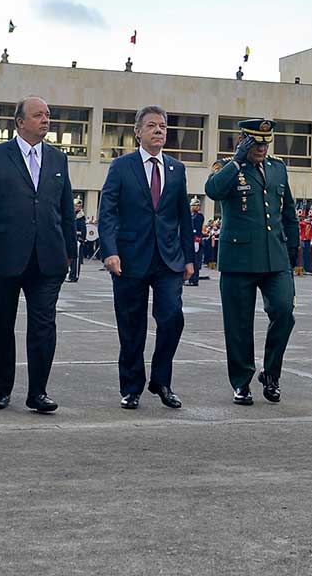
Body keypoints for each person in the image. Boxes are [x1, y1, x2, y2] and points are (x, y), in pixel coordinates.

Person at [0, 96, 75, 414]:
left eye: (48, 115)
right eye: (38, 115)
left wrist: (70, 250)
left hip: (47, 258)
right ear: (20, 122)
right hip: (0, 257)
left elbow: (65, 207)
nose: (46, 120)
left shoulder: (58, 158)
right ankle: (1, 389)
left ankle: (38, 392)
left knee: (44, 325)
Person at [98, 105, 195, 410]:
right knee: (131, 325)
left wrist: (189, 258)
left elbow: (182, 215)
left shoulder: (176, 169)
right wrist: (110, 251)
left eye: (163, 126)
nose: (158, 130)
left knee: (172, 318)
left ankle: (161, 381)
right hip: (129, 258)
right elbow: (107, 211)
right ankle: (131, 387)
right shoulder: (121, 167)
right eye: (152, 125)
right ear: (138, 132)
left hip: (168, 259)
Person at [204, 118, 299, 405]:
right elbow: (213, 191)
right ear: (242, 141)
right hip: (239, 259)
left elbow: (289, 212)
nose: (261, 148)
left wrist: (292, 250)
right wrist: (236, 160)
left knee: (284, 311)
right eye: (256, 143)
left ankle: (271, 373)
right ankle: (241, 382)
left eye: (265, 143)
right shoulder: (227, 167)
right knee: (239, 324)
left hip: (275, 257)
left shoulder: (277, 167)